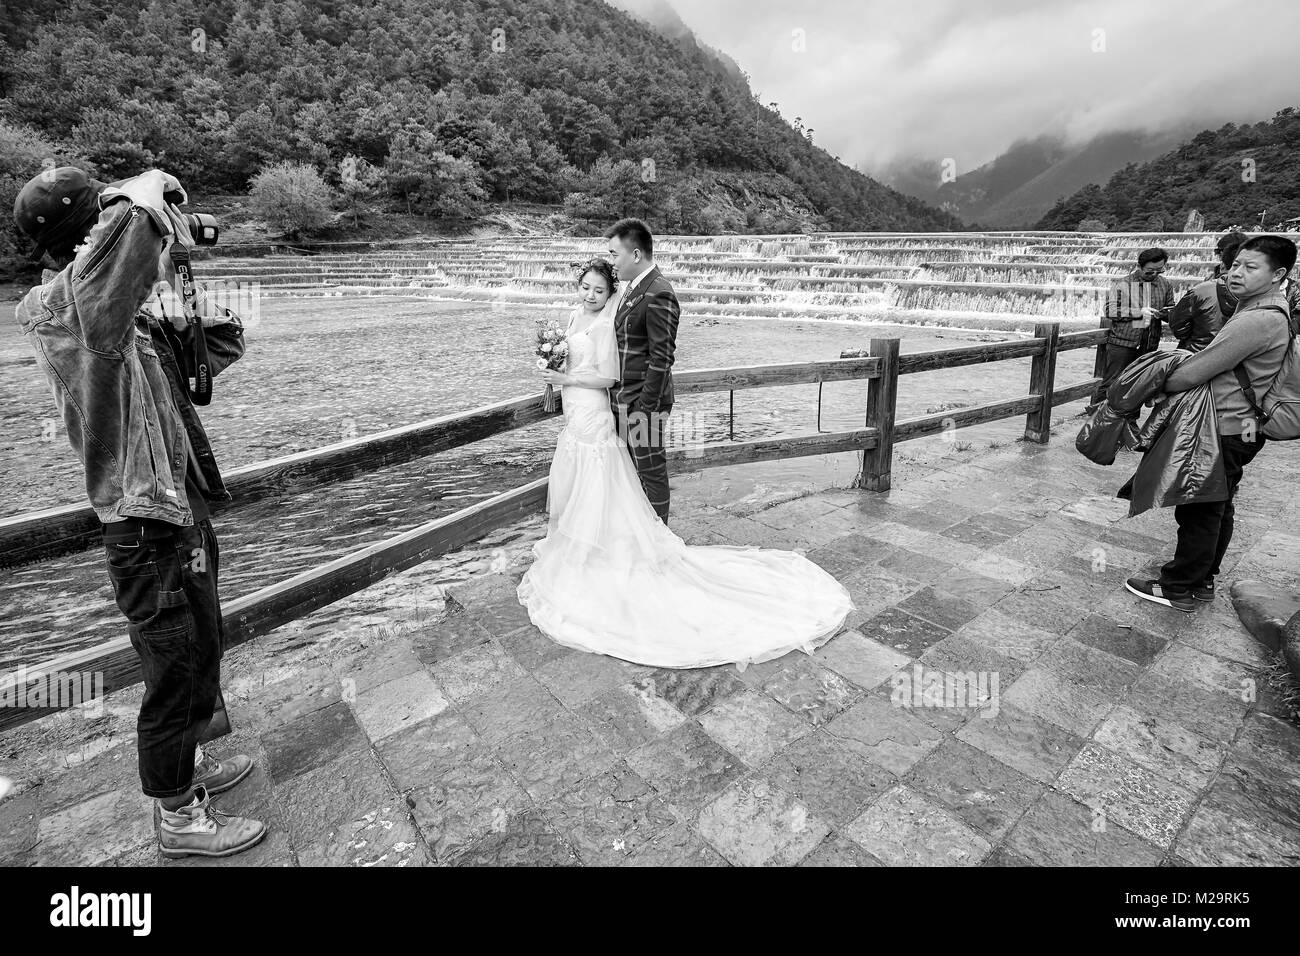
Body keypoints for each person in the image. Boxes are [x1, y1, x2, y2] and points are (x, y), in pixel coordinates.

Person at [12, 167, 265, 857]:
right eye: (98, 218)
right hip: (141, 519)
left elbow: (219, 346)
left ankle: (188, 769)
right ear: (84, 235)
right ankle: (177, 818)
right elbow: (129, 226)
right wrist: (146, 188)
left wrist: (178, 298)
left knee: (202, 642)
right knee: (172, 666)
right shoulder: (63, 308)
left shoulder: (116, 314)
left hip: (178, 505)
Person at [518, 259, 854, 668]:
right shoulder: (574, 315)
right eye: (585, 287)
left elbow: (608, 377)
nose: (590, 295)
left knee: (603, 478)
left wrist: (566, 380)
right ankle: (583, 549)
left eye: (599, 290)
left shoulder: (611, 321)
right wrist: (551, 366)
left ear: (611, 293)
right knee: (578, 479)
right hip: (573, 411)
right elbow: (572, 358)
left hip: (591, 409)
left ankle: (617, 554)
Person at [1126, 235, 1297, 612]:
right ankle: (1202, 579)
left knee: (1199, 507)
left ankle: (1177, 586)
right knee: (1218, 503)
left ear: (1278, 274)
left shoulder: (1257, 319)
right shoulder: (1270, 309)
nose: (1236, 273)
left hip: (1224, 425)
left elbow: (1192, 374)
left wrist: (1157, 379)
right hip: (1241, 425)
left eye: (1251, 268)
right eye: (1236, 264)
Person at [603, 218, 678, 525]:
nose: (612, 262)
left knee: (650, 471)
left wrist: (644, 409)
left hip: (644, 404)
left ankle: (661, 541)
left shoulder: (659, 292)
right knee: (632, 471)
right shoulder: (633, 288)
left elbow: (662, 358)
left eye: (614, 254)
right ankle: (641, 537)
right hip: (625, 400)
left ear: (635, 255)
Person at [1091, 248, 1176, 408]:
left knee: (1137, 389)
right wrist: (1138, 312)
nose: (1155, 274)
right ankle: (1096, 424)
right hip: (1123, 344)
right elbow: (1110, 310)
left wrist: (1165, 314)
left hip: (1149, 344)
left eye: (1160, 270)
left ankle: (1128, 424)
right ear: (1139, 266)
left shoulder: (1165, 284)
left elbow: (1171, 308)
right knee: (1111, 386)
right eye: (1150, 271)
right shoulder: (1124, 284)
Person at [1167, 233, 1247, 351]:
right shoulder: (1262, 290)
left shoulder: (1203, 289)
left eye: (1219, 252)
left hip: (1198, 353)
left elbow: (1178, 327)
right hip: (1234, 355)